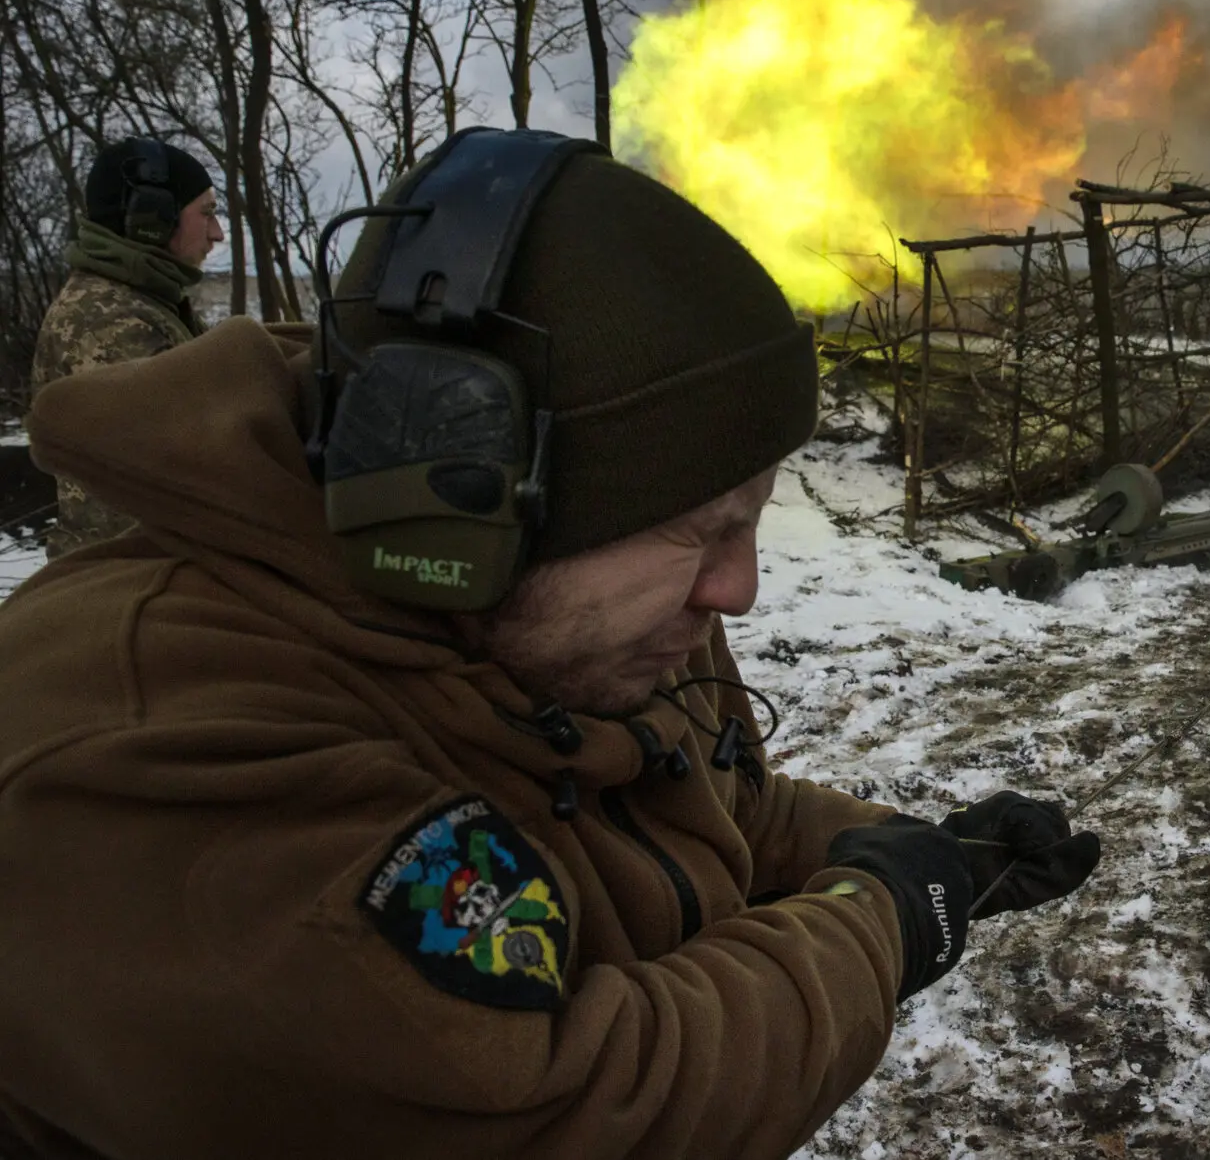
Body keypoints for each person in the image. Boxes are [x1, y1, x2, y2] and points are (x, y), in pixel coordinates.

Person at [0, 129, 1100, 1158]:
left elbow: (715, 804)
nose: (740, 589)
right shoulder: (155, 748)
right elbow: (568, 1100)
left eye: (754, 520)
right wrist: (886, 921)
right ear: (460, 512)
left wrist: (930, 855)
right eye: (701, 530)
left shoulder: (591, 627)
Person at [29, 134, 224, 556]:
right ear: (153, 218)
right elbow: (192, 465)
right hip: (124, 578)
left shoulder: (150, 302)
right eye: (206, 214)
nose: (218, 233)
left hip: (152, 563)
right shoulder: (107, 321)